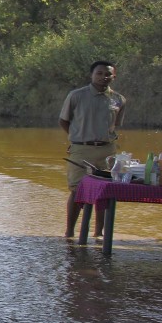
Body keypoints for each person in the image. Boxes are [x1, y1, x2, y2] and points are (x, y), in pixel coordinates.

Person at [59, 60, 126, 239]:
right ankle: (70, 232)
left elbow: (115, 126)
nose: (104, 77)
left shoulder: (118, 99)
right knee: (77, 190)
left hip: (107, 150)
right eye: (99, 73)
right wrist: (76, 139)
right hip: (81, 149)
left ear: (114, 76)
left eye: (108, 74)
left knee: (105, 191)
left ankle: (98, 233)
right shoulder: (76, 96)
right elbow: (64, 121)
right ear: (92, 75)